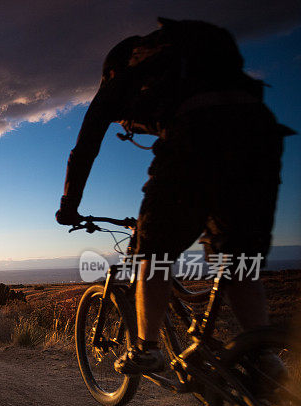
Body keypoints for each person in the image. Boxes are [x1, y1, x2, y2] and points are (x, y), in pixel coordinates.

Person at [55, 18, 293, 374]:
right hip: (260, 134)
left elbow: (85, 148)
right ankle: (264, 358)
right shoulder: (199, 68)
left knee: (153, 253)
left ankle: (146, 349)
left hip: (196, 138)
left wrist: (68, 207)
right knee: (239, 258)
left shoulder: (120, 80)